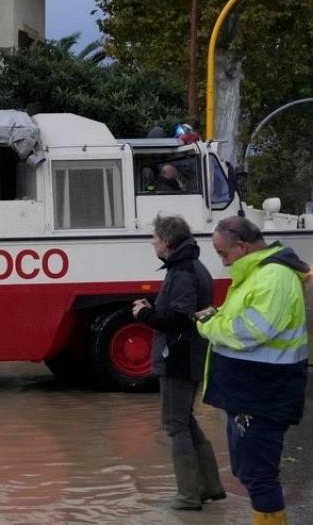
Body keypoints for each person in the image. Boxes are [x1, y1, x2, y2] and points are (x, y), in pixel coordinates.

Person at [198, 216, 309, 525]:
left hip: (263, 395)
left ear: (242, 247)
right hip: (252, 394)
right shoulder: (258, 274)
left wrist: (208, 324)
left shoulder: (272, 277)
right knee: (248, 471)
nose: (222, 261)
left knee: (259, 475)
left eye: (222, 253)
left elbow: (250, 331)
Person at [131, 215, 226, 511]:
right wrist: (153, 309)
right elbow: (181, 312)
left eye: (155, 239)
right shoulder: (191, 267)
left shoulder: (183, 271)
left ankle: (188, 495)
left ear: (168, 243)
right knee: (185, 420)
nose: (152, 243)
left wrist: (144, 315)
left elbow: (177, 317)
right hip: (189, 354)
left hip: (179, 357)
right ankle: (209, 486)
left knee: (175, 424)